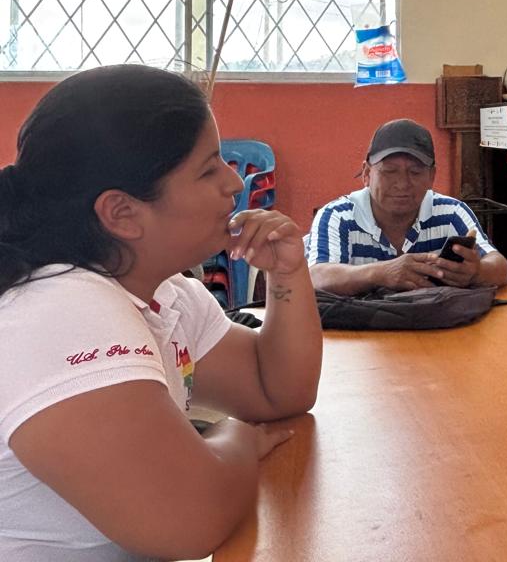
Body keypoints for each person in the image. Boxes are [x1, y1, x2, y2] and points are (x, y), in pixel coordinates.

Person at [0, 65, 322, 561]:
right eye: (208, 170)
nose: (234, 183)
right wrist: (233, 436)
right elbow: (190, 520)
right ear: (123, 213)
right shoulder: (59, 308)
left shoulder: (166, 294)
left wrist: (286, 274)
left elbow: (275, 390)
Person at [306, 119, 507, 295]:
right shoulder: (338, 216)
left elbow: (501, 269)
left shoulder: (452, 213)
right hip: (359, 328)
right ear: (367, 174)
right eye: (389, 171)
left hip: (433, 326)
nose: (402, 184)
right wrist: (381, 273)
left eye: (415, 172)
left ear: (431, 176)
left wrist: (476, 272)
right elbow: (315, 277)